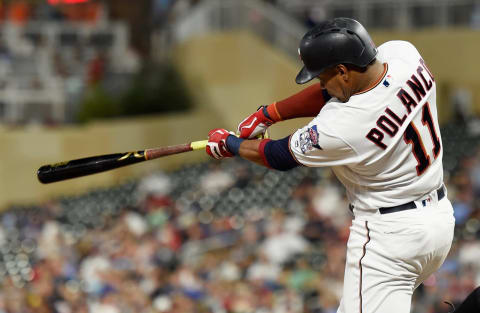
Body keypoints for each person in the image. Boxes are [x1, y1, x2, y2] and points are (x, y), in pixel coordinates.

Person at [205, 17, 455, 313]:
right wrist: (269, 114)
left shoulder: (342, 127)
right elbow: (337, 91)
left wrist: (230, 145)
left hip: (391, 240)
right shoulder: (405, 55)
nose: (321, 84)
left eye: (323, 76)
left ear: (342, 70)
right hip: (438, 222)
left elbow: (278, 155)